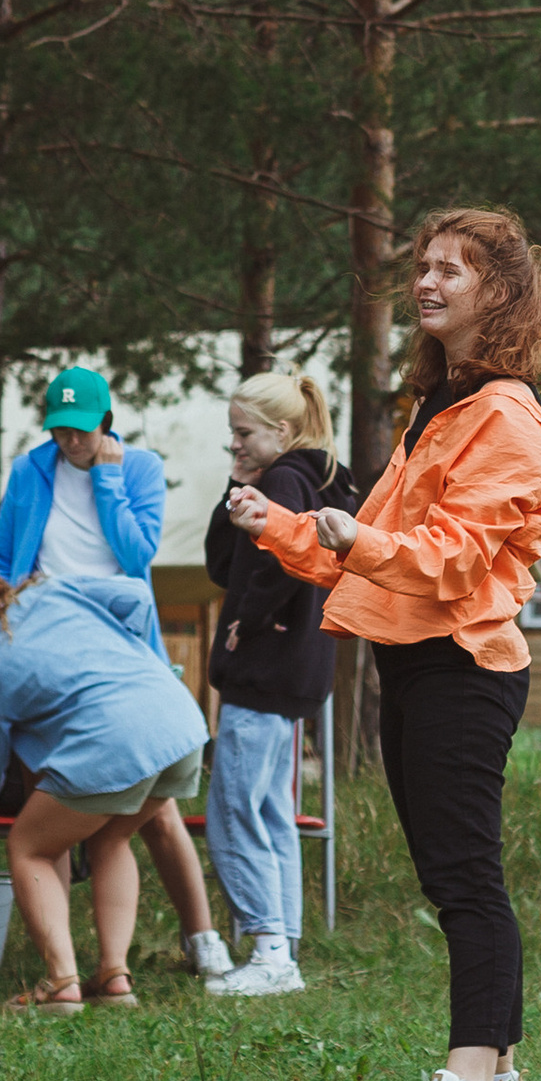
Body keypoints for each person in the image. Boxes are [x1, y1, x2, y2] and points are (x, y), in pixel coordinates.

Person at [229, 206, 541, 1081]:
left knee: (466, 875)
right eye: (423, 266)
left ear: (499, 293)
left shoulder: (506, 417)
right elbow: (366, 549)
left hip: (466, 666)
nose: (428, 281)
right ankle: (496, 1074)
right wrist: (284, 528)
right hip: (412, 662)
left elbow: (452, 559)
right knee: (448, 873)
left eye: (453, 270)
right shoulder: (439, 409)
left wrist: (361, 537)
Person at [0, 365, 233, 981]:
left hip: (123, 644)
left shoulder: (138, 468)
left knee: (156, 810)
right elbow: (3, 554)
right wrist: (10, 605)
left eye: (81, 430)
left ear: (105, 422)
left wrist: (107, 479)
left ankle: (202, 941)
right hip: (50, 640)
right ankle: (62, 957)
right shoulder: (29, 469)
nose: (69, 441)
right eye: (59, 430)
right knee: (55, 790)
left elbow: (135, 554)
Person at [0, 553, 210, 1011]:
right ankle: (115, 976)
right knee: (112, 839)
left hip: (116, 741)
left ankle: (61, 982)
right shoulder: (51, 591)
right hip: (177, 722)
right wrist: (122, 648)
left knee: (29, 847)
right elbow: (137, 595)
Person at [200, 368, 338, 999]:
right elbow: (223, 560)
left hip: (262, 669)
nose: (234, 443)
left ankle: (269, 951)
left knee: (235, 811)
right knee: (273, 811)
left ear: (281, 431)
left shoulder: (283, 479)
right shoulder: (312, 476)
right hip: (295, 671)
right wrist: (236, 483)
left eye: (243, 432)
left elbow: (274, 566)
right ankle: (284, 947)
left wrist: (246, 624)